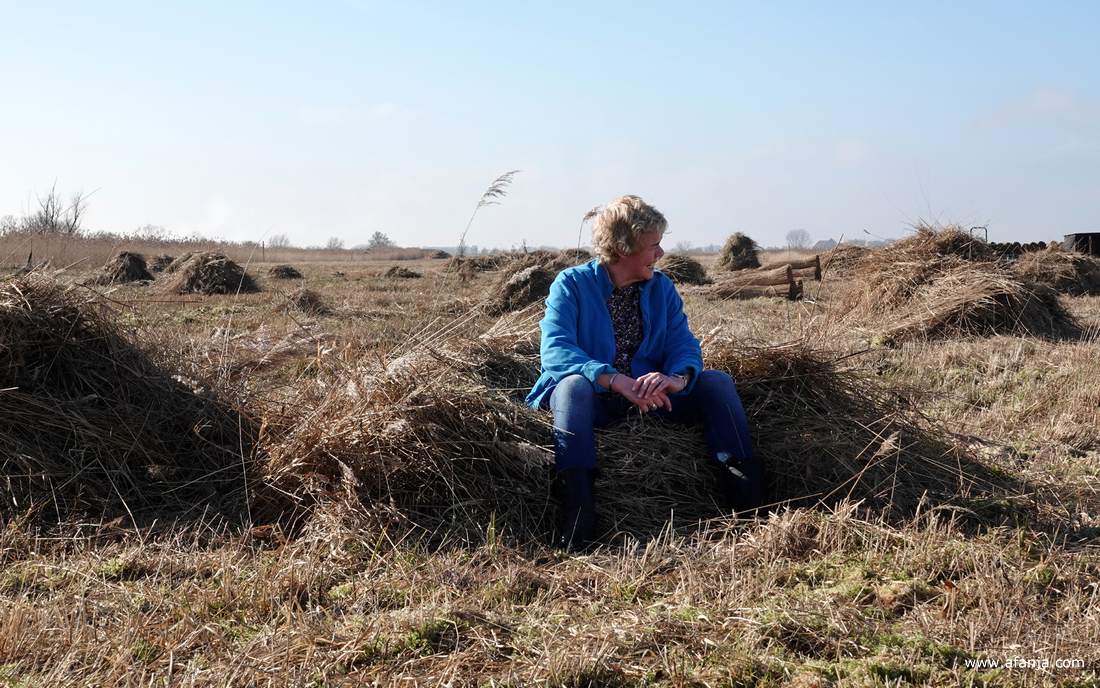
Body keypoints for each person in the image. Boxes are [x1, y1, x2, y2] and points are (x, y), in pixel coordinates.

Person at [526, 195, 766, 550]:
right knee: (572, 387)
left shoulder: (661, 288)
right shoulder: (571, 285)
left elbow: (683, 343)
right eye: (653, 245)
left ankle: (750, 501)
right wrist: (614, 379)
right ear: (622, 248)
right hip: (594, 400)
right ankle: (578, 515)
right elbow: (556, 351)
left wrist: (676, 378)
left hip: (652, 398)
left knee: (716, 382)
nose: (661, 253)